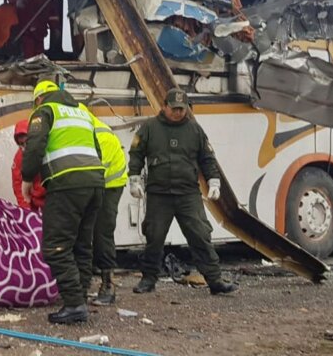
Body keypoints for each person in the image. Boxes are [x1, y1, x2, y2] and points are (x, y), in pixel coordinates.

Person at [128, 88, 238, 295]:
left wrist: (214, 181)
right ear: (164, 106)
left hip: (188, 193)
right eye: (174, 108)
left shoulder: (195, 130)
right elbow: (136, 153)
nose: (178, 112)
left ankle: (214, 280)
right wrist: (134, 179)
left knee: (200, 235)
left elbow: (207, 158)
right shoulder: (149, 128)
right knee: (154, 237)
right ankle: (148, 279)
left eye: (182, 108)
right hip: (159, 193)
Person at [20, 80, 105, 324]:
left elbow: (35, 146)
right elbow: (96, 149)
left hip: (66, 184)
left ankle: (75, 303)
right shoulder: (82, 112)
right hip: (95, 183)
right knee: (82, 243)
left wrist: (28, 178)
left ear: (38, 99)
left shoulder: (45, 111)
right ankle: (81, 294)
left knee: (55, 246)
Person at [88, 114, 128, 306]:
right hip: (91, 182)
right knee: (83, 230)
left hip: (110, 184)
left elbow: (95, 170)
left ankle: (107, 284)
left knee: (102, 230)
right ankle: (82, 282)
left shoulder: (99, 136)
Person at [10, 119, 46, 211]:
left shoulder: (46, 149)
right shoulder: (19, 157)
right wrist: (25, 209)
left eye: (26, 142)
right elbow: (17, 184)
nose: (24, 146)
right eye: (21, 144)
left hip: (52, 199)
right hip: (35, 202)